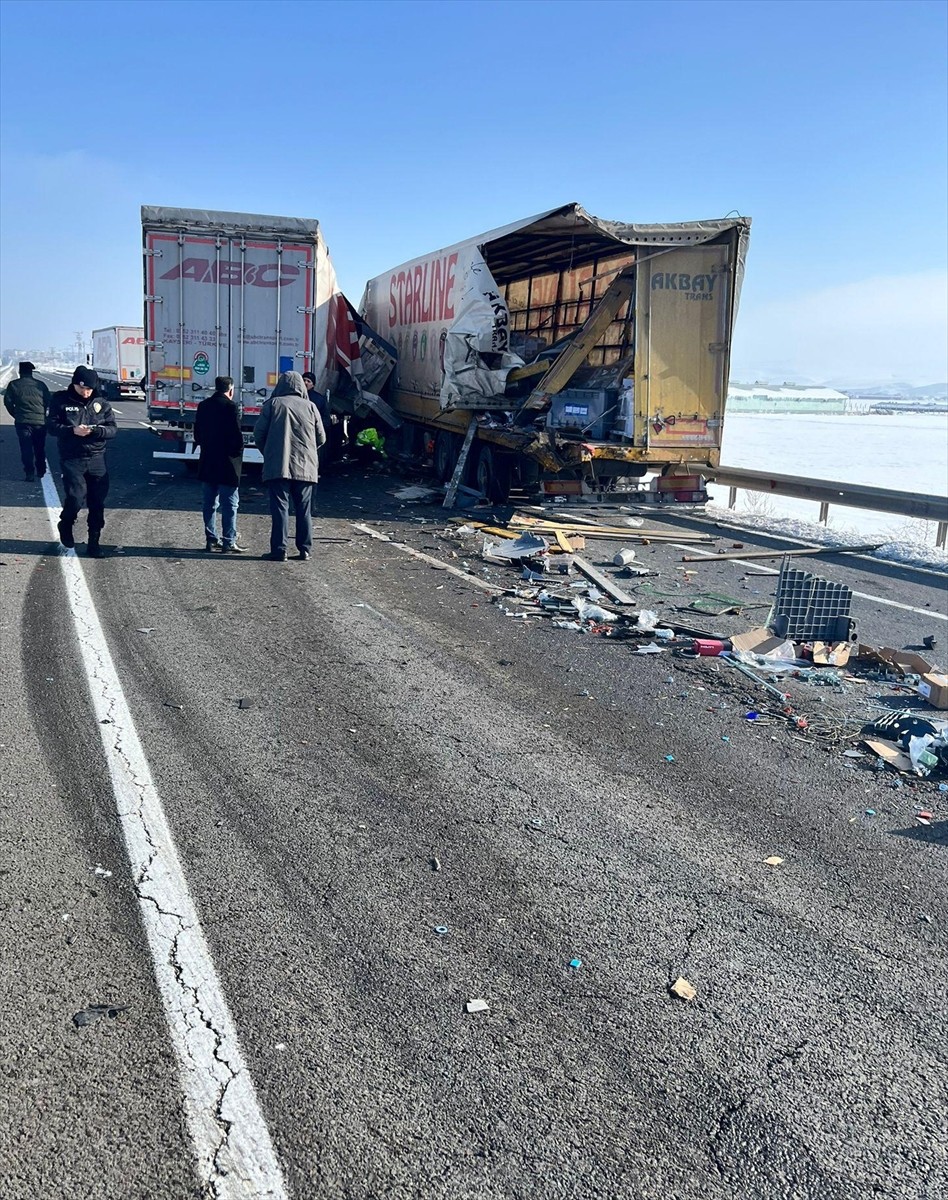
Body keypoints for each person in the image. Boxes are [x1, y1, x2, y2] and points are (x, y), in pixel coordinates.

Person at [254, 371, 325, 562]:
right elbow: (321, 437)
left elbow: (259, 434)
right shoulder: (311, 406)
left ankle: (279, 550)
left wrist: (270, 453)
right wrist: (308, 452)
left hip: (278, 466)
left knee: (280, 509)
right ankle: (305, 549)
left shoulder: (272, 405)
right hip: (306, 467)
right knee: (304, 510)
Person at [47, 365, 117, 557]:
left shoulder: (101, 403)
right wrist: (72, 431)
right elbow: (52, 426)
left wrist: (97, 431)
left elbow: (112, 429)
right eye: (82, 388)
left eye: (89, 389)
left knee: (97, 503)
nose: (86, 393)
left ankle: (94, 542)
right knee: (76, 498)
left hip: (97, 458)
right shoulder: (61, 400)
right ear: (75, 384)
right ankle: (66, 523)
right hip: (72, 458)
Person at [193, 375, 245, 552]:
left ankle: (211, 538)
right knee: (230, 503)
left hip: (208, 460)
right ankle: (229, 540)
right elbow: (236, 435)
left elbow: (197, 432)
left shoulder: (203, 405)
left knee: (209, 502)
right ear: (230, 389)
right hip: (228, 463)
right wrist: (237, 454)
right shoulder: (231, 407)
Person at [3, 361, 51, 480]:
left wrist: (16, 414)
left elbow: (7, 402)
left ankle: (29, 473)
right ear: (31, 372)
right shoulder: (41, 385)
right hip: (39, 422)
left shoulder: (14, 385)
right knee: (39, 447)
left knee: (26, 448)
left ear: (20, 372)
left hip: (22, 422)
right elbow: (49, 402)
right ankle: (41, 470)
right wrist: (44, 416)